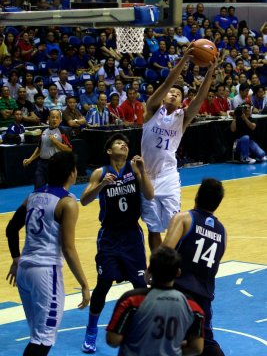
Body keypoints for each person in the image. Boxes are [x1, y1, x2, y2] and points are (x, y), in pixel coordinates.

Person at [6, 152, 90, 356]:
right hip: (46, 273)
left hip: (25, 271)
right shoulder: (67, 202)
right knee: (43, 340)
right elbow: (68, 248)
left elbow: (10, 229)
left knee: (37, 335)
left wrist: (16, 259)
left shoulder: (32, 196)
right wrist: (85, 284)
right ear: (72, 173)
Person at [80, 133, 154, 353]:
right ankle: (91, 331)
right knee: (103, 285)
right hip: (110, 237)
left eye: (125, 144)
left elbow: (149, 195)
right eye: (118, 144)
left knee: (141, 287)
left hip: (132, 236)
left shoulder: (134, 168)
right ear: (110, 151)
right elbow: (84, 200)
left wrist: (142, 171)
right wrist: (101, 185)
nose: (123, 145)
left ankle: (143, 330)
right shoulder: (100, 173)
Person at [141, 43, 217, 250]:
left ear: (182, 100)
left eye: (178, 93)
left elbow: (200, 98)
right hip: (146, 175)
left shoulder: (182, 118)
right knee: (153, 228)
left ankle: (170, 262)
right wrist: (184, 60)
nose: (173, 94)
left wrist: (210, 71)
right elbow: (167, 82)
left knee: (174, 224)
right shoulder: (152, 110)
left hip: (168, 175)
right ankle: (156, 266)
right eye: (170, 92)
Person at [163, 178, 227, 356]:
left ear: (197, 195)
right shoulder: (222, 232)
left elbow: (165, 253)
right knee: (205, 344)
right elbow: (214, 266)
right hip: (203, 297)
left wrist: (150, 273)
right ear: (217, 203)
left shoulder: (184, 218)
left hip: (177, 292)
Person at [106, 246, 205, 356]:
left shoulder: (131, 300)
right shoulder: (193, 306)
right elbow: (197, 348)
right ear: (178, 272)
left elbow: (113, 340)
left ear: (149, 270)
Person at [23, 109, 72, 189]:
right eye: (53, 117)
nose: (55, 119)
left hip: (56, 164)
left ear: (60, 120)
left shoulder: (63, 132)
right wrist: (30, 159)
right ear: (48, 118)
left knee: (55, 189)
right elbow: (40, 148)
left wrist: (56, 142)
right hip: (42, 164)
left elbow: (69, 149)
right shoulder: (44, 131)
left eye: (57, 117)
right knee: (38, 187)